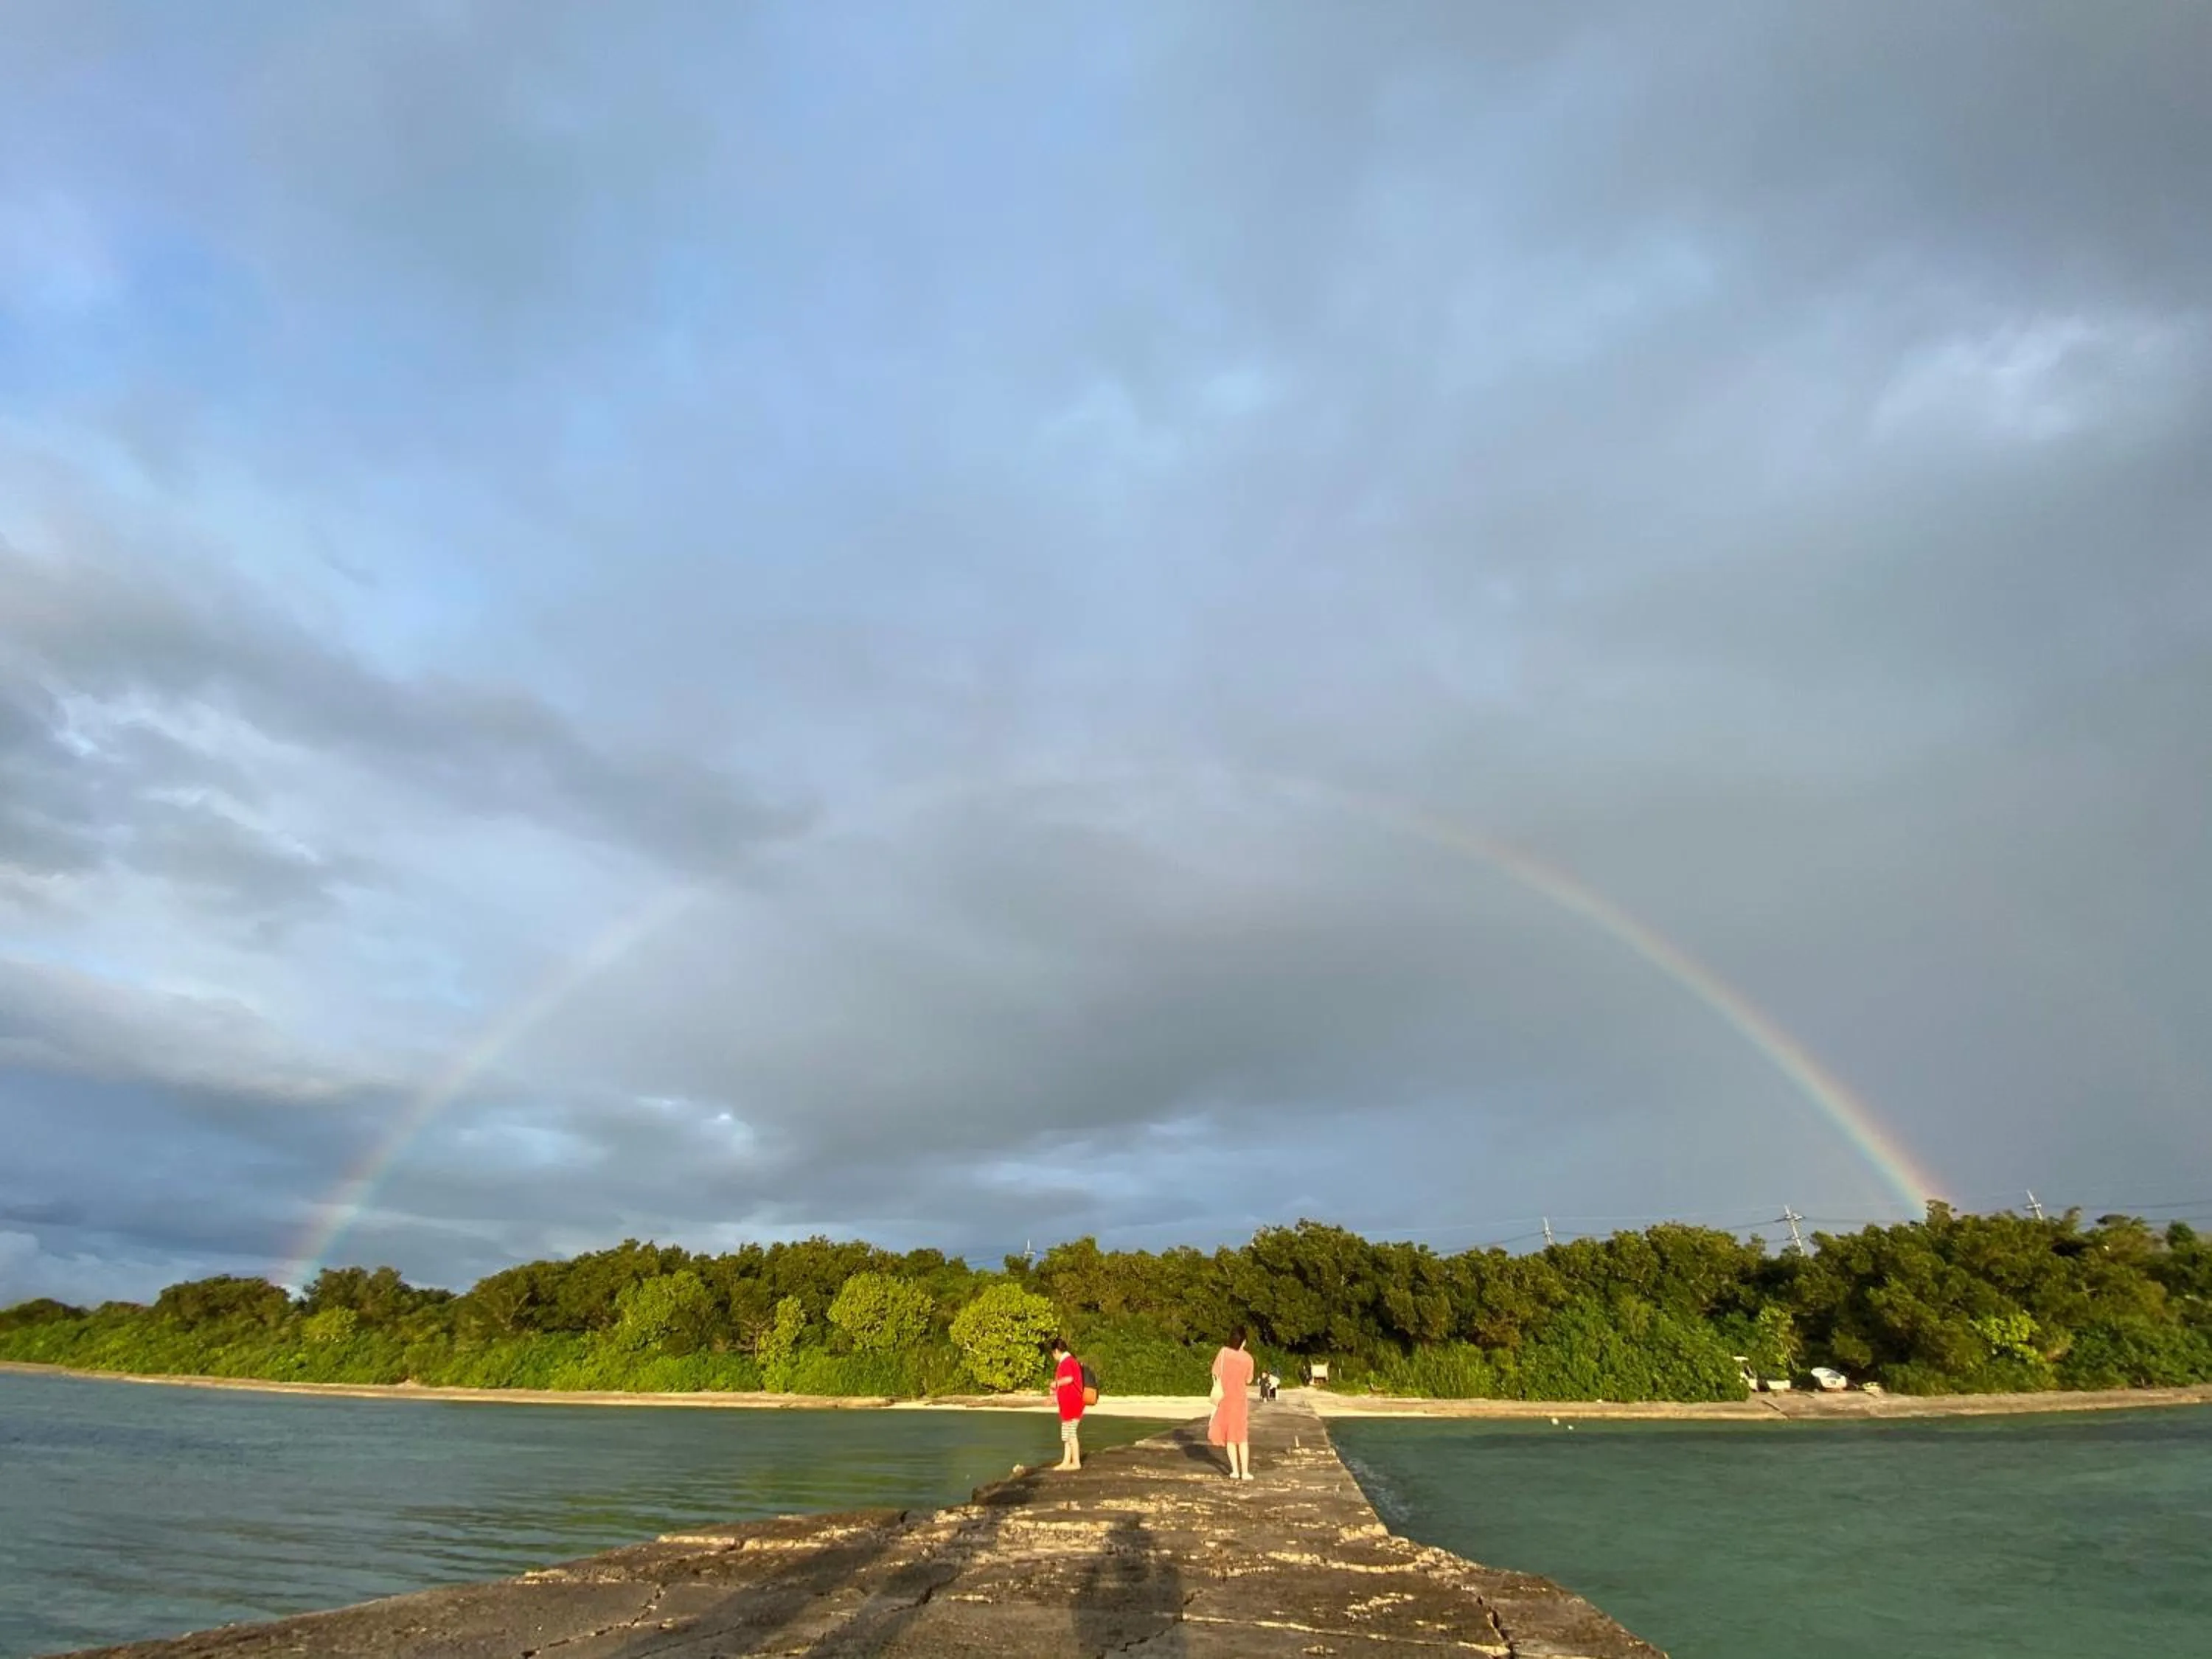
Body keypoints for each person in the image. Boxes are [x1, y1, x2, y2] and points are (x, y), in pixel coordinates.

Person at [1209, 1326, 1256, 1481]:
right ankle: (1245, 1472)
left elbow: (1215, 1372)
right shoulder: (1248, 1359)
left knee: (1229, 1436)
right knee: (1241, 1437)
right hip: (1239, 1400)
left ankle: (1235, 1471)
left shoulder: (1223, 1352)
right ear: (1244, 1341)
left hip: (1225, 1399)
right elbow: (1249, 1380)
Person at [1050, 1336, 1086, 1471]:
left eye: (1053, 1354)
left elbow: (1069, 1378)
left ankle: (1076, 1463)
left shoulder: (1067, 1362)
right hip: (1070, 1403)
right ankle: (1066, 1462)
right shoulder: (1069, 1361)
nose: (1053, 1357)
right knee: (1067, 1434)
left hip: (1072, 1403)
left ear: (1056, 1351)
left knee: (1070, 1434)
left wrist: (1056, 1383)